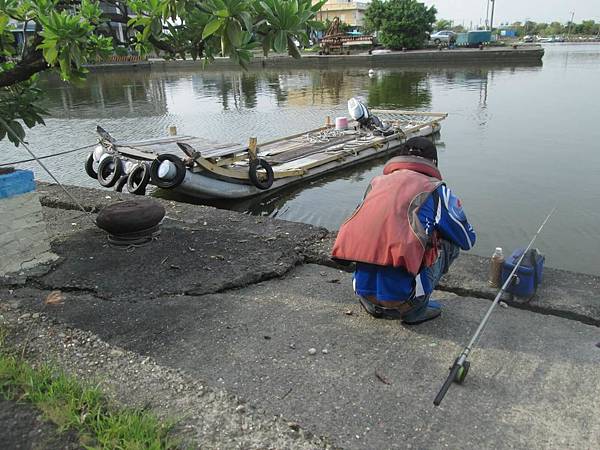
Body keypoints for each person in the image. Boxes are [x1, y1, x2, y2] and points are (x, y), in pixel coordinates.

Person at [331, 137, 476, 324]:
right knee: (451, 243)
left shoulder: (375, 184)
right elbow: (467, 239)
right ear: (434, 163)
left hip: (362, 291)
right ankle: (415, 310)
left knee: (375, 234)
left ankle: (372, 301)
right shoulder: (436, 190)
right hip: (404, 300)